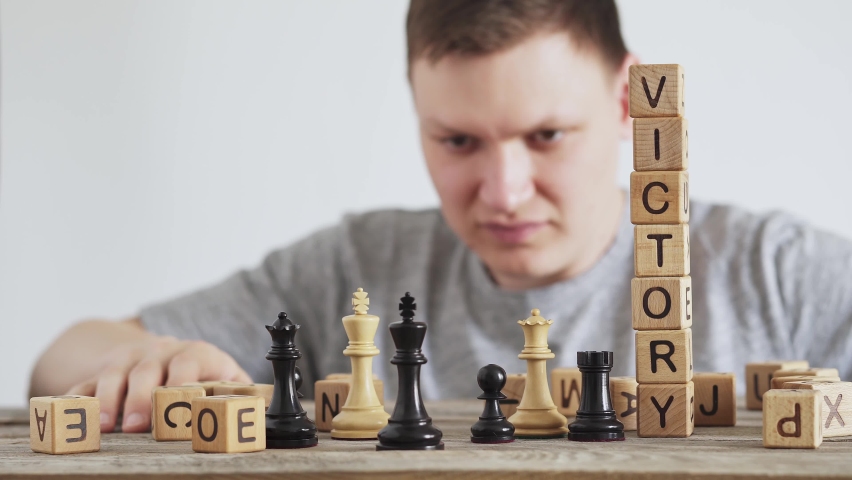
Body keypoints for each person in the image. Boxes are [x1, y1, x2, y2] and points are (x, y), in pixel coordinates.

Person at [29, 0, 852, 435]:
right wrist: (151, 359)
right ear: (416, 107)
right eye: (458, 139)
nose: (503, 191)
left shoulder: (774, 272)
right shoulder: (357, 263)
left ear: (630, 96)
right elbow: (62, 358)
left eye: (547, 135)